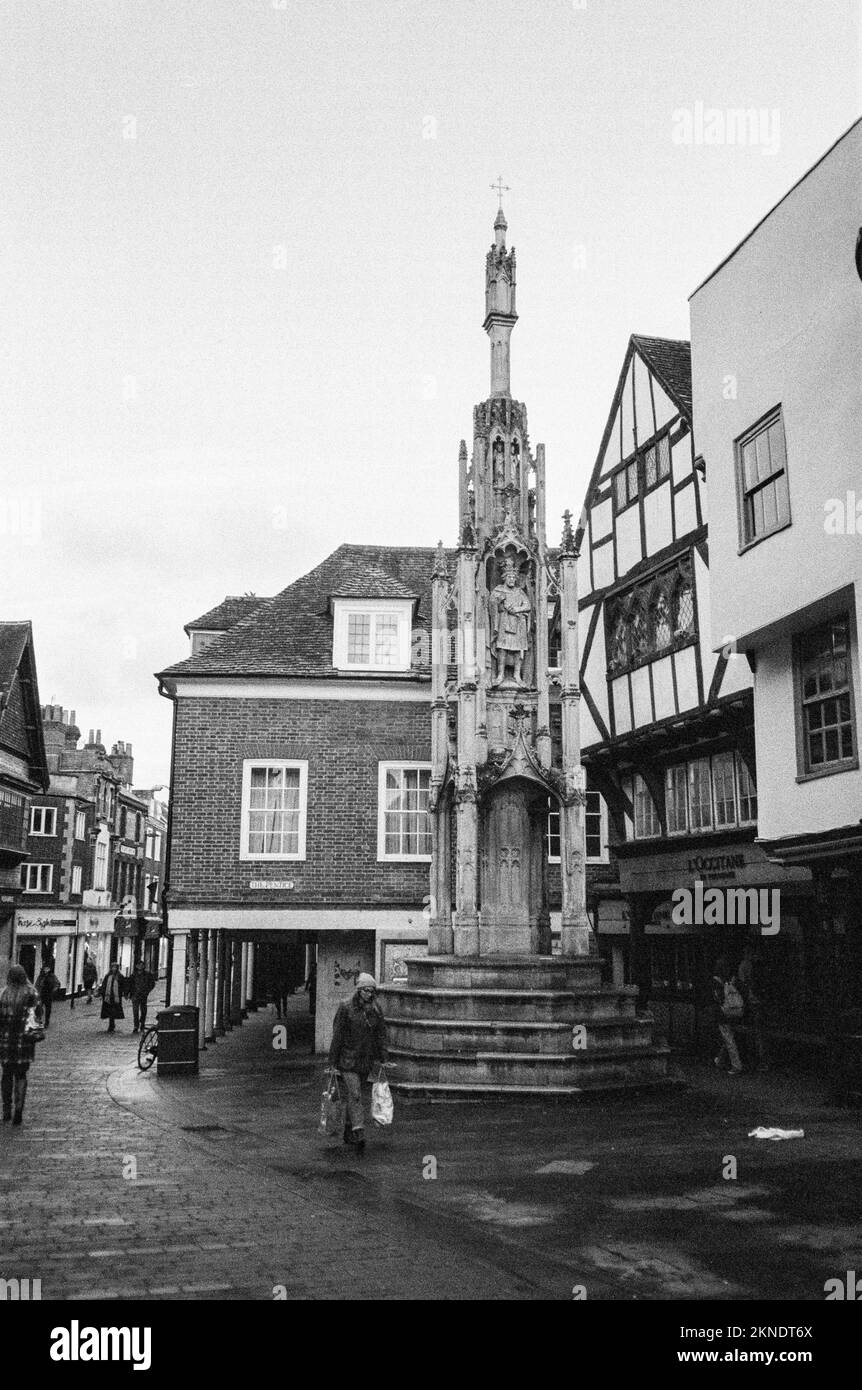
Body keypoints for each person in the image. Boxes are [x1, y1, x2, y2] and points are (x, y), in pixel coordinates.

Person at [327, 973, 388, 1154]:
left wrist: (383, 1057)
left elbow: (381, 1034)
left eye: (372, 991)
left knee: (356, 1095)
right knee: (355, 1095)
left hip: (365, 1060)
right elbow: (337, 1035)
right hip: (347, 1060)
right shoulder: (346, 1008)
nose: (369, 994)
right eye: (366, 991)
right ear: (359, 991)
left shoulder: (376, 1009)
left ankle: (348, 1129)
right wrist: (332, 1061)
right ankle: (359, 1131)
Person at [0, 964, 42, 1126]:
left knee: (6, 1074)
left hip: (6, 1040)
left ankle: (6, 1110)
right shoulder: (32, 993)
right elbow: (38, 1015)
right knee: (21, 1075)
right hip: (25, 1041)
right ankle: (19, 1109)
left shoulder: (3, 994)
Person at [712, 957, 743, 1075]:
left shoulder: (716, 982)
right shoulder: (733, 980)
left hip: (724, 1013)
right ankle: (720, 1060)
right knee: (729, 1038)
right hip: (736, 1011)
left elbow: (718, 998)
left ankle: (736, 1065)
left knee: (728, 1039)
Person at [737, 947, 766, 1071]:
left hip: (751, 1000)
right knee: (759, 1032)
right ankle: (762, 1061)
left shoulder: (744, 965)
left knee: (750, 1031)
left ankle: (752, 1059)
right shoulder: (760, 965)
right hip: (760, 1000)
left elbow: (744, 984)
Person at [128, 960, 155, 1033]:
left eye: (142, 965)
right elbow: (129, 985)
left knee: (143, 1011)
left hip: (143, 995)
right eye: (139, 965)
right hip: (135, 995)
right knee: (135, 1011)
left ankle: (142, 1023)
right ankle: (136, 1025)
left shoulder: (147, 975)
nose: (140, 966)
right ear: (136, 966)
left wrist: (147, 990)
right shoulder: (133, 975)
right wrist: (129, 993)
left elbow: (152, 983)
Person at [99, 961, 126, 1034]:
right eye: (113, 967)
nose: (114, 969)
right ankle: (111, 1024)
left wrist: (124, 993)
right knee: (110, 1011)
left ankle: (111, 1025)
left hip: (116, 997)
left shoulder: (120, 976)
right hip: (108, 996)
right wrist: (102, 993)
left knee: (113, 1011)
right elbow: (104, 985)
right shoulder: (108, 976)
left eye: (115, 967)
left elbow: (123, 985)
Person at [35, 962, 61, 1029]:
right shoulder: (41, 976)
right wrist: (36, 991)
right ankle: (39, 1020)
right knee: (39, 1007)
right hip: (41, 993)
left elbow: (57, 983)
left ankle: (47, 1021)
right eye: (45, 968)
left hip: (48, 994)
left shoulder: (52, 976)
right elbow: (37, 984)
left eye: (47, 968)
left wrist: (54, 990)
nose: (46, 970)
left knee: (48, 1009)